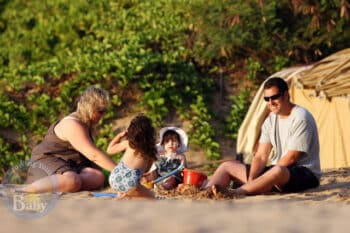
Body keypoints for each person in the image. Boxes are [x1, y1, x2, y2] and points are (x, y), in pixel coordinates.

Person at [206, 77, 321, 195]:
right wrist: (252, 180)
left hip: (305, 174)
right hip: (277, 171)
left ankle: (236, 193)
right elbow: (261, 156)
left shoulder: (301, 117)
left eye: (275, 97)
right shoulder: (270, 120)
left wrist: (262, 179)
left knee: (277, 170)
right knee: (227, 166)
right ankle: (205, 192)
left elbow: (292, 157)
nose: (271, 102)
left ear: (286, 95)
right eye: (267, 98)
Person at [25, 86, 117, 193]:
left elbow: (93, 159)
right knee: (72, 181)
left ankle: (61, 184)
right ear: (90, 107)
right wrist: (122, 173)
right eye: (101, 111)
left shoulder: (86, 124)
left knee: (97, 177)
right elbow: (93, 155)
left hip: (68, 164)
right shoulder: (72, 124)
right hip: (48, 160)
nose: (103, 115)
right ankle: (29, 189)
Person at [107, 114, 158, 199]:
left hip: (114, 178)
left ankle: (121, 196)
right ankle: (126, 194)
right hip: (131, 183)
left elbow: (109, 150)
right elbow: (146, 170)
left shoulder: (128, 144)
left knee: (127, 192)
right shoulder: (150, 151)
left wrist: (119, 136)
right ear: (151, 134)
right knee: (152, 197)